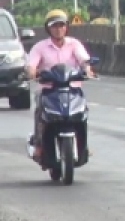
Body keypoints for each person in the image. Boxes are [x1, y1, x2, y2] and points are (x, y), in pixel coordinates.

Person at [24, 9, 94, 163]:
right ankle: (38, 145)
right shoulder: (40, 47)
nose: (58, 29)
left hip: (72, 89)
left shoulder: (74, 44)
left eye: (61, 25)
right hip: (48, 90)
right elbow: (31, 65)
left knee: (83, 113)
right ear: (48, 28)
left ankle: (84, 145)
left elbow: (84, 60)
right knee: (40, 112)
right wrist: (32, 73)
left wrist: (87, 70)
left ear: (67, 27)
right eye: (54, 26)